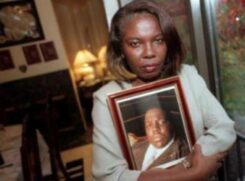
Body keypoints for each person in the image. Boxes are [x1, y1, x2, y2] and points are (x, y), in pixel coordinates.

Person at [92, 1, 236, 180]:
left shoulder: (188, 76)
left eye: (158, 40)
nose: (149, 52)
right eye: (135, 44)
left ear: (169, 43)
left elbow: (224, 128)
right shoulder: (105, 100)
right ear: (120, 49)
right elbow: (109, 175)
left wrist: (195, 158)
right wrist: (192, 172)